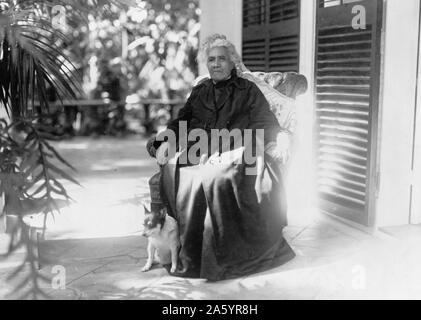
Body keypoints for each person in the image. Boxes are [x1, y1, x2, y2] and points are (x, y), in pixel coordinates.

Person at [146, 34, 295, 281]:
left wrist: (280, 137)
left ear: (232, 61)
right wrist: (165, 141)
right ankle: (191, 255)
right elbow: (180, 121)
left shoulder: (248, 90)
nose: (216, 64)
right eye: (211, 59)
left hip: (239, 151)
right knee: (180, 170)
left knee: (215, 177)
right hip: (202, 151)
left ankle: (225, 258)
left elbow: (264, 122)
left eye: (222, 59)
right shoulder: (200, 90)